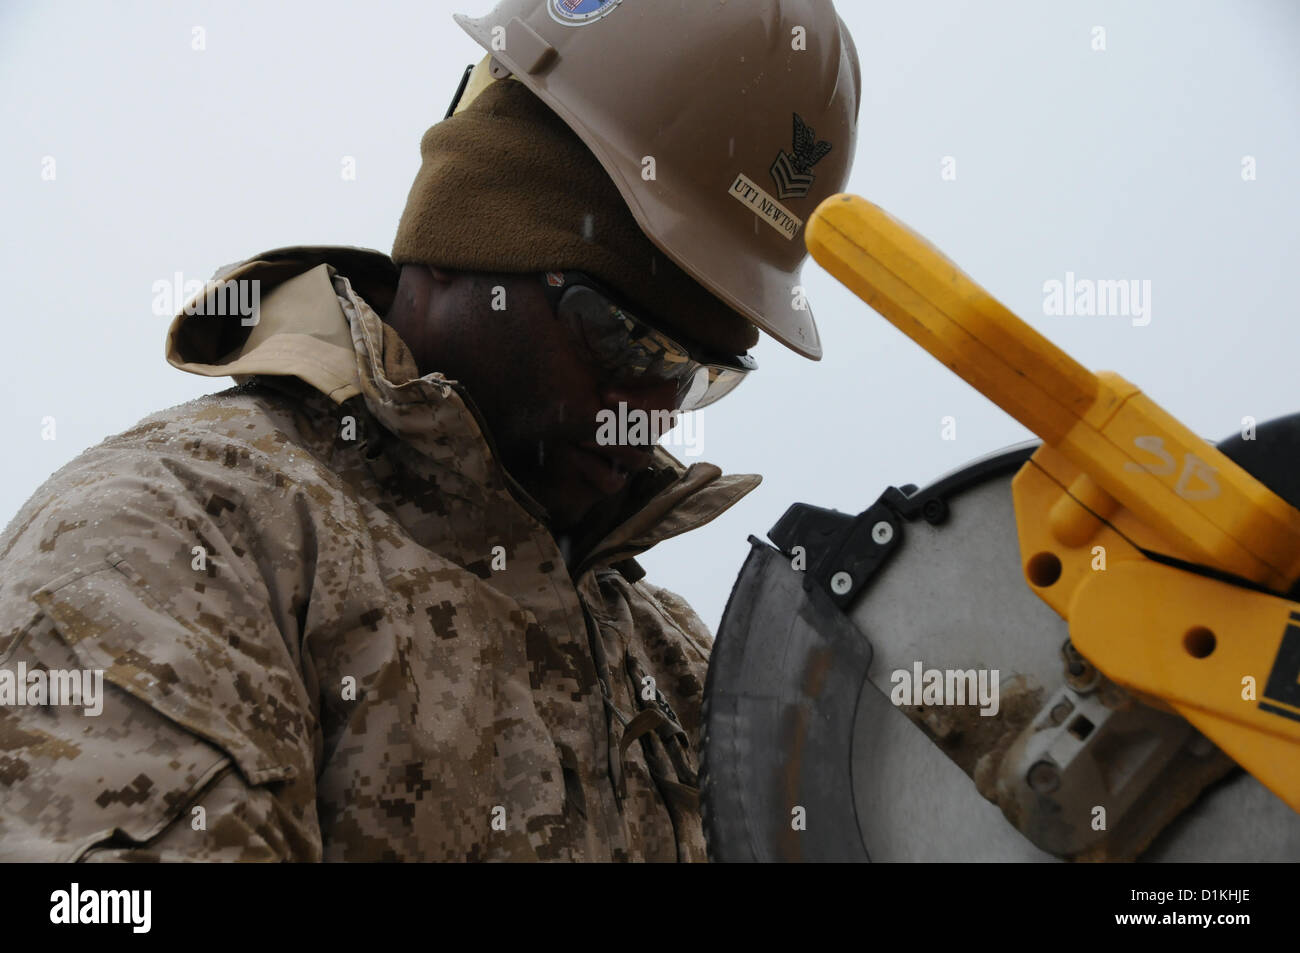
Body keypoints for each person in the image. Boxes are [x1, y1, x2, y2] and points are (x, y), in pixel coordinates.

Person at [0, 0, 859, 861]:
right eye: (623, 338)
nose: (650, 412)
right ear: (461, 235)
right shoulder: (177, 542)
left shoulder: (680, 665)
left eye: (692, 370)